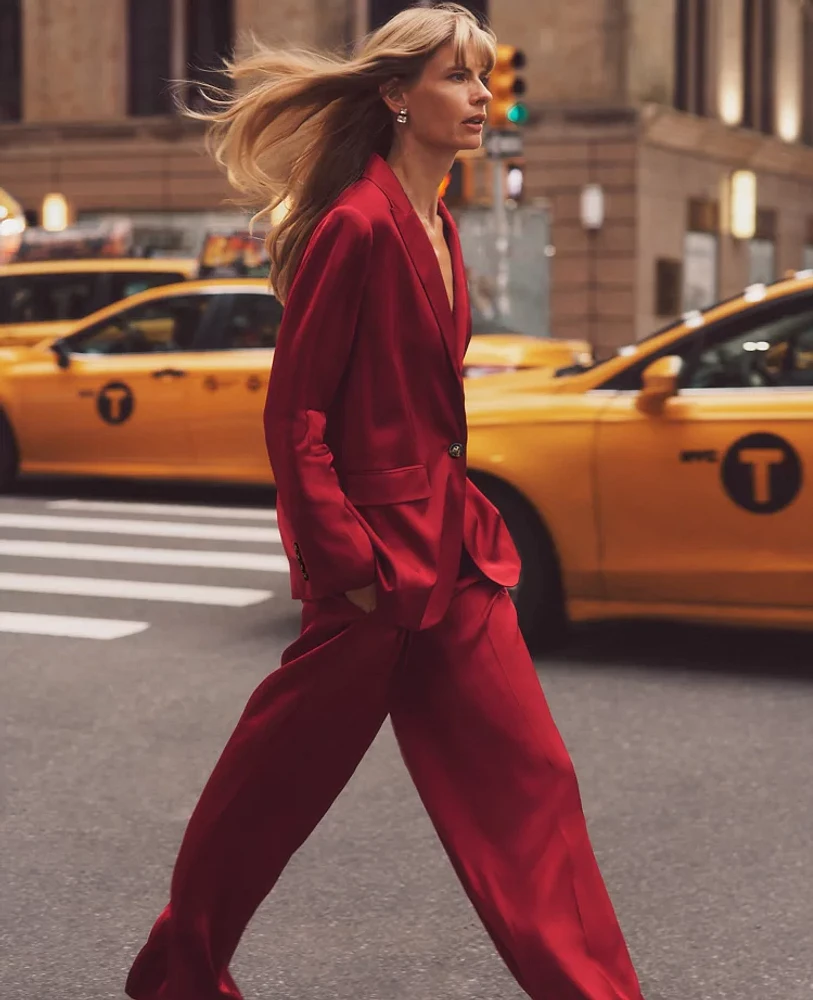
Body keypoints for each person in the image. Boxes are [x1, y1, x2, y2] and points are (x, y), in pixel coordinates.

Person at [124, 5, 647, 999]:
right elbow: (298, 417)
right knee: (270, 795)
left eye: (486, 77)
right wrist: (347, 567)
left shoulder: (441, 220)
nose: (483, 95)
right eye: (459, 77)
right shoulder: (356, 226)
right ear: (396, 96)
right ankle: (178, 973)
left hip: (455, 559)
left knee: (532, 786)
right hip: (372, 573)